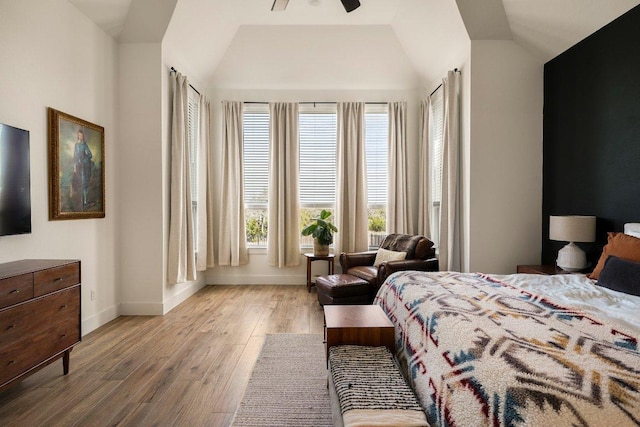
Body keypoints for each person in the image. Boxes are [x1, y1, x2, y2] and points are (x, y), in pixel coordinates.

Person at [73, 129, 92, 207]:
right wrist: (74, 167)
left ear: (83, 136)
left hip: (84, 166)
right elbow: (74, 157)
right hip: (78, 166)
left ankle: (84, 201)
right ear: (77, 135)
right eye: (79, 135)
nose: (80, 136)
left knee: (84, 183)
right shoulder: (76, 145)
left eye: (81, 135)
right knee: (79, 183)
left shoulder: (84, 145)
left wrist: (84, 160)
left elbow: (90, 155)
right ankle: (81, 199)